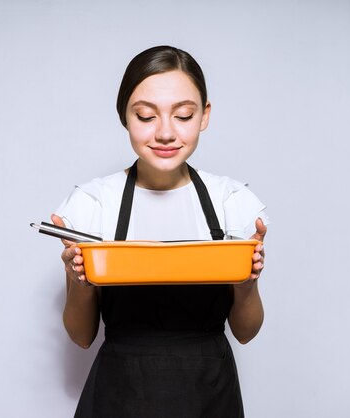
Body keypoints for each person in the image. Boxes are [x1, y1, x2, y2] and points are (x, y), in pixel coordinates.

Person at [51, 45, 268, 418]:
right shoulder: (93, 203)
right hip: (118, 395)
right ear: (125, 117)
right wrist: (79, 281)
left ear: (204, 116)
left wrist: (246, 281)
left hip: (209, 395)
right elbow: (82, 336)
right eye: (146, 116)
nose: (165, 132)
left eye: (183, 115)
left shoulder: (231, 200)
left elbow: (246, 332)